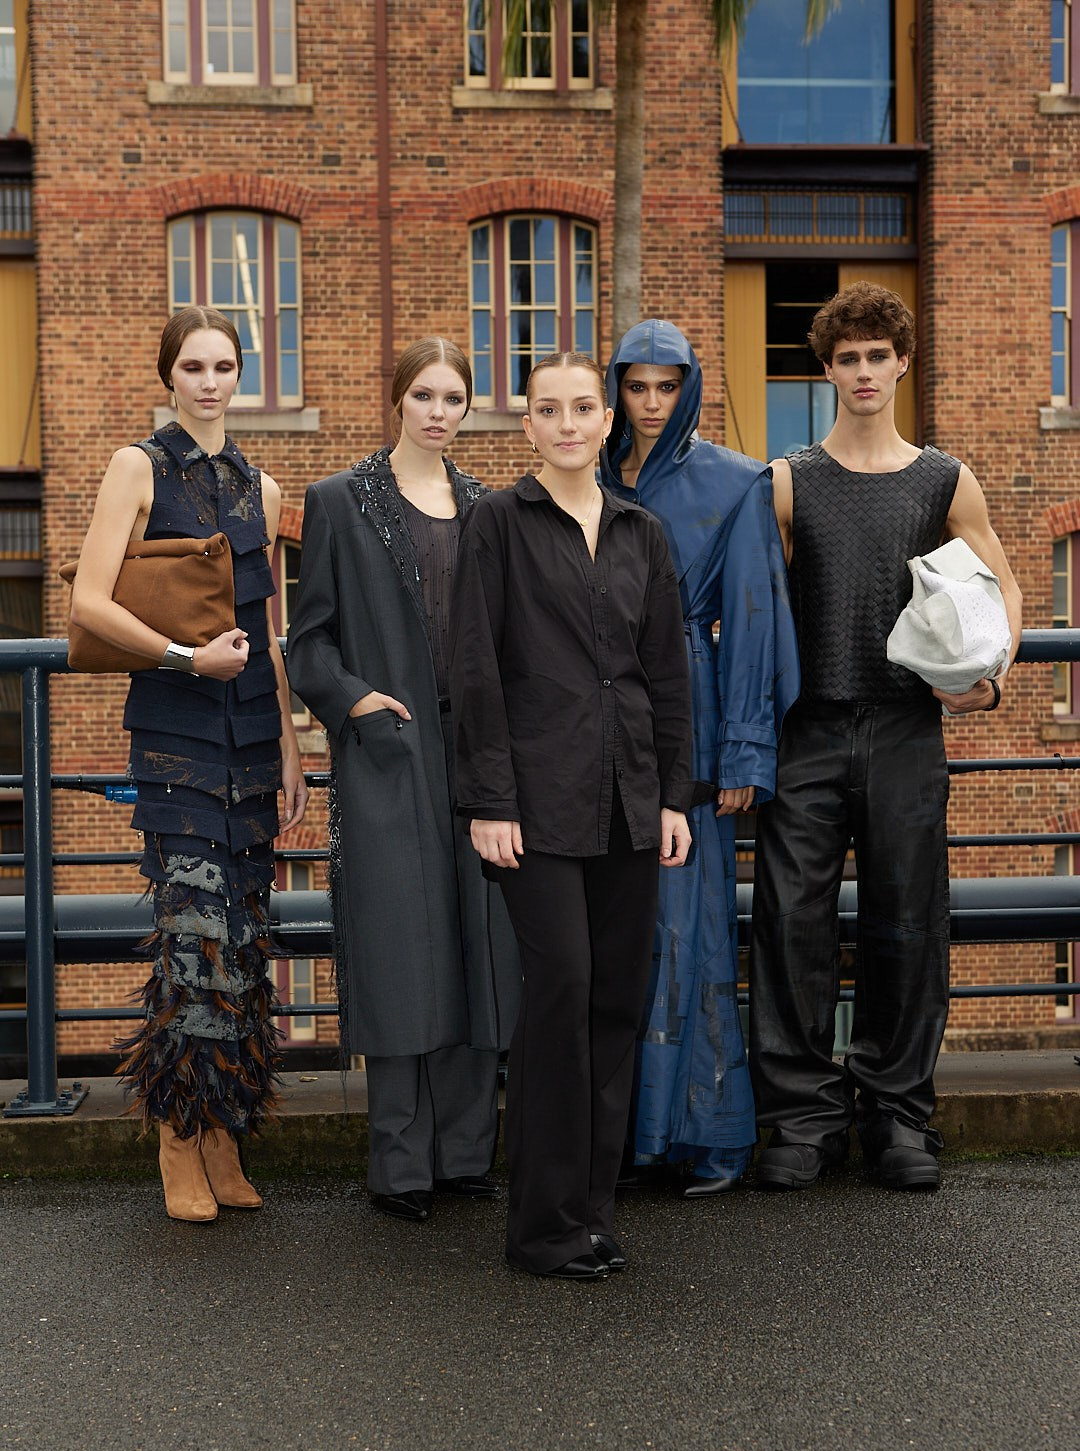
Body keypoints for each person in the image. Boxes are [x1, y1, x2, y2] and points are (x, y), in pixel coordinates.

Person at [749, 282, 1023, 1193]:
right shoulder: (787, 479)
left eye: (878, 355)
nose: (864, 372)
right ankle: (800, 1121)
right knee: (792, 927)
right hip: (809, 731)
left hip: (907, 726)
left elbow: (1003, 586)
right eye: (847, 358)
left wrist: (993, 676)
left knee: (908, 923)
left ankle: (899, 1118)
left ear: (902, 362)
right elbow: (746, 612)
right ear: (826, 369)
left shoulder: (945, 478)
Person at [449, 352, 694, 1281]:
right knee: (559, 998)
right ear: (528, 427)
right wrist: (487, 801)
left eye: (583, 407)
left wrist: (675, 795)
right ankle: (541, 1226)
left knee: (616, 1003)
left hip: (632, 799)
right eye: (548, 409)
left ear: (605, 422)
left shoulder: (642, 531)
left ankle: (592, 1210)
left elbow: (668, 674)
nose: (567, 424)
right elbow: (473, 667)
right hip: (533, 809)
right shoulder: (496, 526)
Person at [72, 305, 308, 1222]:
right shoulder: (139, 465)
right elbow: (91, 602)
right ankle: (177, 1137)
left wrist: (289, 744)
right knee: (190, 946)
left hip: (250, 738)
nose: (210, 381)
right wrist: (184, 659)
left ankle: (223, 1133)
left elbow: (270, 631)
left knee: (242, 947)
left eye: (224, 367)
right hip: (175, 736)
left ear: (240, 375)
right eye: (194, 367)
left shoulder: (262, 487)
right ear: (169, 375)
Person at [286, 337, 519, 1223]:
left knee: (477, 945)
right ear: (397, 400)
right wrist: (355, 705)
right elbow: (307, 643)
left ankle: (465, 1156)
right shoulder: (340, 503)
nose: (436, 410)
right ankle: (399, 1166)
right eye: (421, 394)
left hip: (481, 759)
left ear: (466, 407)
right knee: (400, 952)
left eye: (452, 396)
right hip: (388, 754)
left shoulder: (488, 509)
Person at [602, 320, 799, 1196]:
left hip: (691, 718)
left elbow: (756, 618)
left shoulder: (735, 480)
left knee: (692, 931)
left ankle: (702, 1136)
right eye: (635, 386)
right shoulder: (589, 467)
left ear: (690, 386)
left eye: (665, 387)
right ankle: (626, 1135)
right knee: (616, 932)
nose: (649, 405)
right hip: (598, 721)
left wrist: (745, 751)